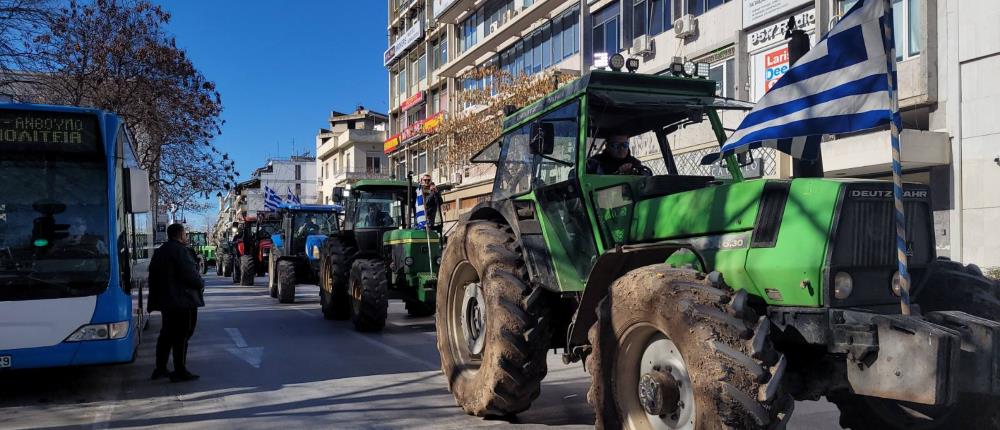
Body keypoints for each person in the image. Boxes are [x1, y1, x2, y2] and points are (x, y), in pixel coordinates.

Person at [147, 223, 205, 383]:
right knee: (182, 335)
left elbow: (153, 275)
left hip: (167, 301)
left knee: (166, 334)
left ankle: (160, 368)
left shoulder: (160, 251)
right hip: (183, 301)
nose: (186, 237)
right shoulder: (181, 251)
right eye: (185, 234)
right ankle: (180, 370)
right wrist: (201, 283)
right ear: (180, 235)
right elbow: (191, 275)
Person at [586, 134, 651, 176]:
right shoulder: (595, 163)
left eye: (625, 145)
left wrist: (637, 171)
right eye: (616, 145)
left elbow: (647, 177)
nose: (621, 148)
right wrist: (618, 173)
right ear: (607, 147)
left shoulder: (634, 162)